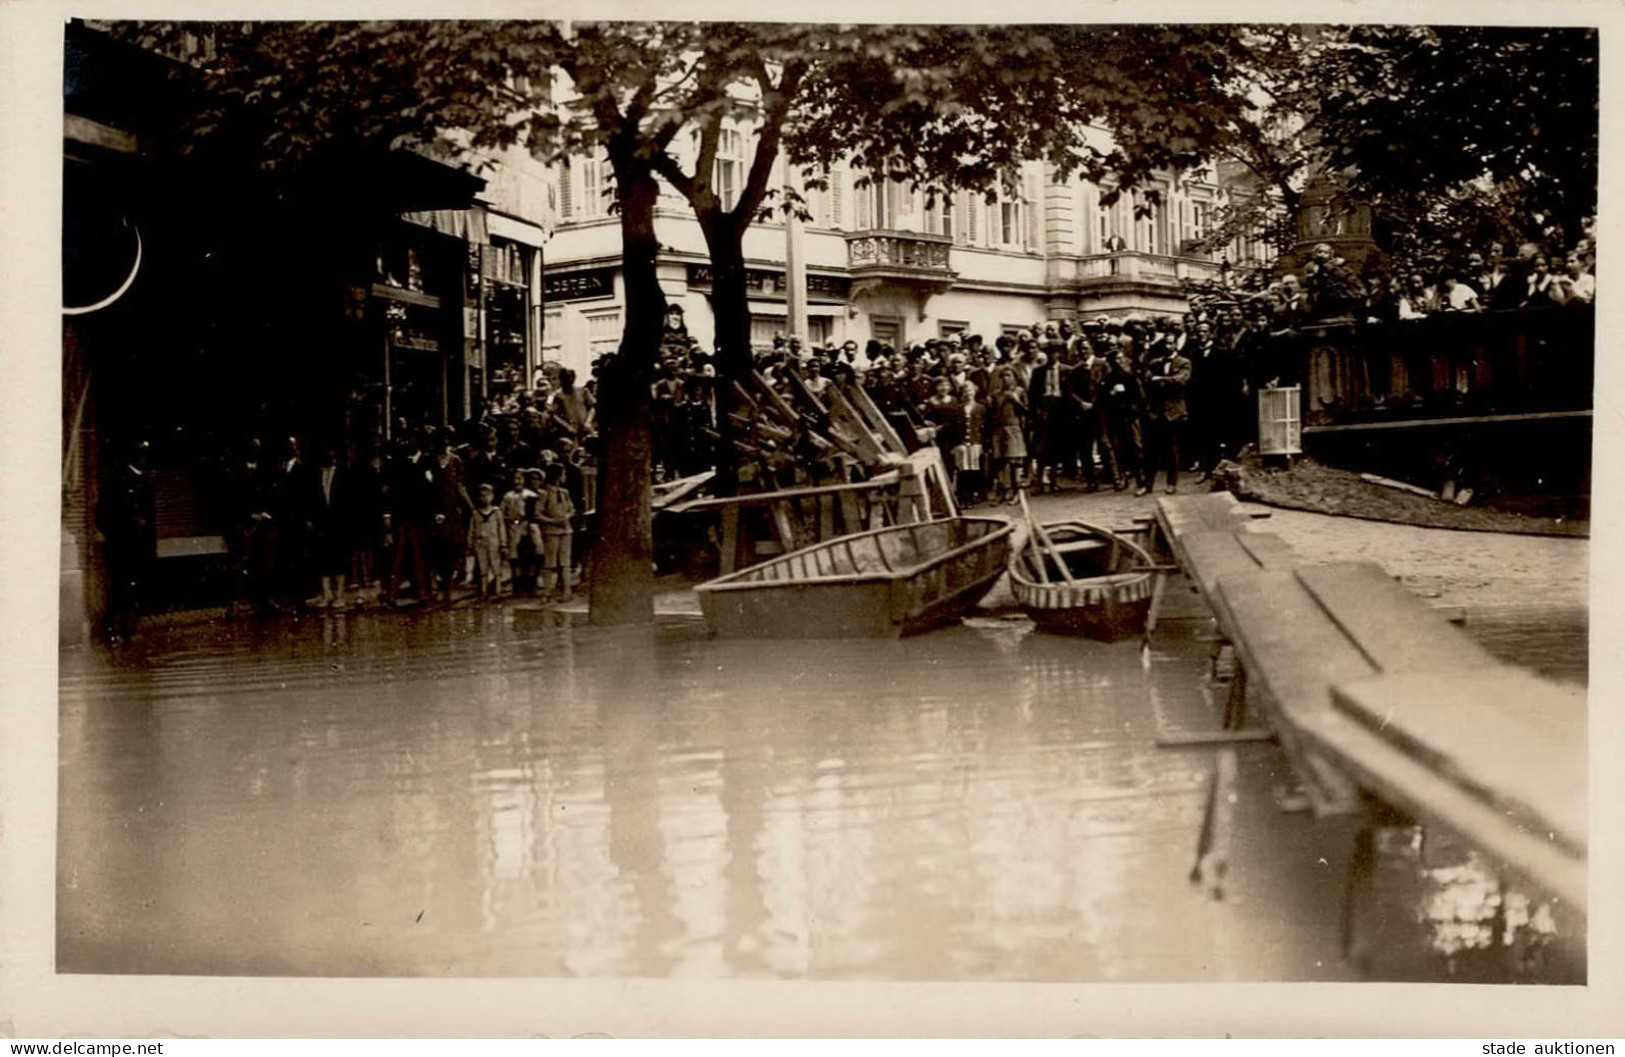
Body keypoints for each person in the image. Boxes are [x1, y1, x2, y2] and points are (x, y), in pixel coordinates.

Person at [96, 439, 157, 642]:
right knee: (121, 585)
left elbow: (150, 517)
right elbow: (104, 512)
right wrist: (119, 530)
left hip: (140, 544)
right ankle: (115, 626)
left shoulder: (146, 481)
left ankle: (129, 626)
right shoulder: (118, 480)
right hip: (122, 544)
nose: (144, 459)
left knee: (134, 586)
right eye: (141, 455)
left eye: (145, 455)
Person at [1141, 341, 1191, 496]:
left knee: (1172, 449)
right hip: (1157, 411)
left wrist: (1160, 379)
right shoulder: (1155, 362)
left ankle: (1171, 483)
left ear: (1175, 345)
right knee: (1151, 450)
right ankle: (1147, 485)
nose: (1167, 347)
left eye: (1170, 344)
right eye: (1165, 344)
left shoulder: (1184, 362)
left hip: (1174, 412)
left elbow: (1181, 380)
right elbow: (1147, 379)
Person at [309, 448, 351, 610]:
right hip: (321, 522)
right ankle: (327, 594)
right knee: (323, 559)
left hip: (339, 522)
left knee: (340, 559)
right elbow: (312, 497)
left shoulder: (343, 473)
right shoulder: (316, 474)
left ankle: (339, 594)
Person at [534, 462, 576, 603]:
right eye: (563, 474)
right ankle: (546, 593)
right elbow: (537, 514)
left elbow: (571, 509)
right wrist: (552, 521)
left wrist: (566, 517)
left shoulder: (565, 492)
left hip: (565, 530)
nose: (564, 476)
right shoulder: (544, 493)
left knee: (565, 563)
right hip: (551, 532)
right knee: (549, 563)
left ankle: (567, 592)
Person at [989, 366, 1028, 504]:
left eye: (1009, 375)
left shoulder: (1020, 391)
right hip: (999, 429)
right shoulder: (996, 394)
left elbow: (1026, 411)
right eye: (1003, 376)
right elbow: (992, 414)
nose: (1006, 379)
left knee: (1015, 462)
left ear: (1015, 377)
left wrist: (1015, 400)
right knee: (1001, 462)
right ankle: (1004, 491)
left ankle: (1018, 492)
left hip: (1014, 428)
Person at [466, 482, 508, 599]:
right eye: (482, 495)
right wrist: (470, 544)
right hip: (480, 542)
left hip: (494, 541)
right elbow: (471, 529)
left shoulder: (496, 512)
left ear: (492, 496)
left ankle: (498, 589)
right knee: (482, 566)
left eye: (487, 495)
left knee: (496, 565)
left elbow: (501, 529)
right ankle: (484, 590)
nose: (485, 498)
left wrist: (503, 544)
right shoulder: (475, 513)